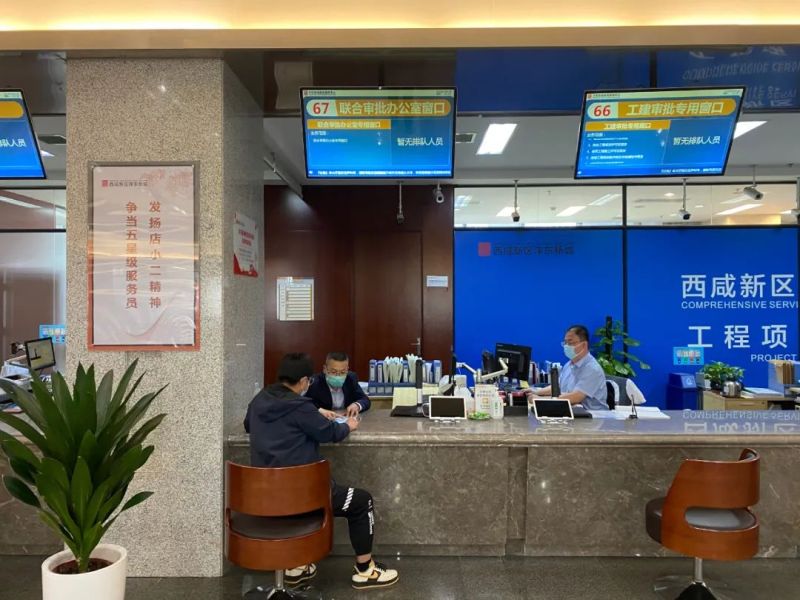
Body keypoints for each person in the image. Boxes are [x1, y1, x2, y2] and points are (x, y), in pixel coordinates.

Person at [244, 352, 399, 590]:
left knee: (295, 504)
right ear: (304, 381)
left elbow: (248, 425)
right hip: (303, 496)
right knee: (361, 501)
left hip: (265, 497)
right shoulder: (300, 406)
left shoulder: (259, 399)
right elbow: (330, 433)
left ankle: (296, 565)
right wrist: (349, 425)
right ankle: (365, 570)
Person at [526, 324, 608, 411]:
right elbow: (557, 387)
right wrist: (535, 392)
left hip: (593, 415)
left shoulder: (592, 369)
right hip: (572, 411)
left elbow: (575, 397)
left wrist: (540, 400)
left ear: (584, 345)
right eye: (565, 343)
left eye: (571, 343)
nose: (567, 346)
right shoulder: (569, 365)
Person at [306, 351, 371, 418]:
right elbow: (305, 404)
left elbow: (365, 399)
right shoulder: (314, 383)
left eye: (342, 372)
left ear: (347, 370)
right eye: (334, 372)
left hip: (346, 419)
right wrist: (320, 410)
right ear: (325, 369)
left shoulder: (350, 379)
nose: (338, 376)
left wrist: (357, 405)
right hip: (323, 421)